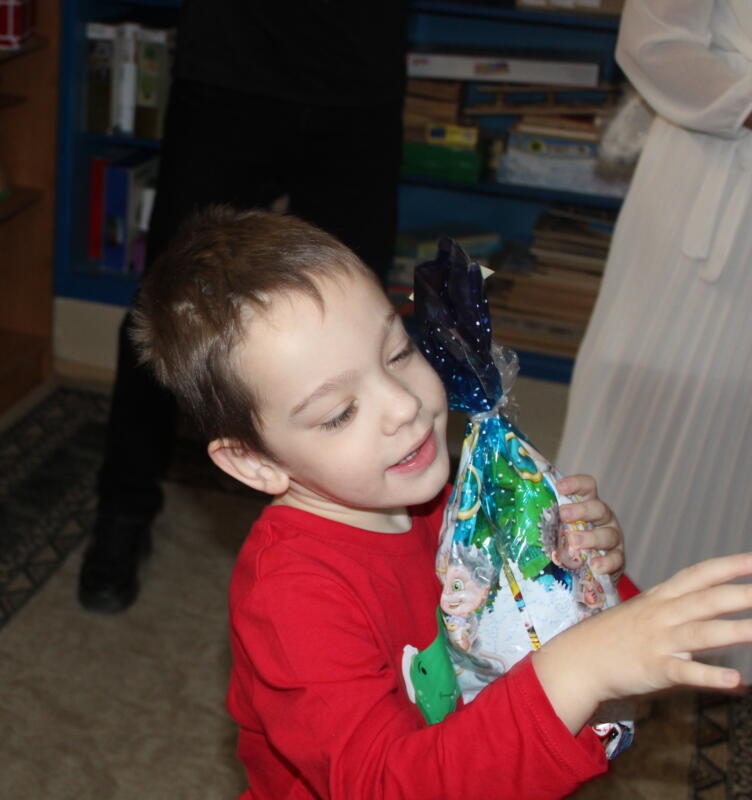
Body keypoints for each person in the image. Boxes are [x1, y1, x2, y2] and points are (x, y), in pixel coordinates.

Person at [130, 206, 752, 799]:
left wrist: (586, 575)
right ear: (254, 462)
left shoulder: (451, 505)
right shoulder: (289, 600)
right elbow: (382, 785)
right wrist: (578, 670)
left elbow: (540, 638)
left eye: (398, 353)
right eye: (339, 413)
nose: (404, 405)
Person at [78, 1, 407, 612]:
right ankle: (122, 509)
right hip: (229, 67)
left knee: (357, 323)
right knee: (166, 311)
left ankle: (370, 538)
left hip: (358, 76)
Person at [557, 0, 752, 677]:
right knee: (642, 388)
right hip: (711, 164)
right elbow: (653, 41)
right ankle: (591, 615)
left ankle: (728, 630)